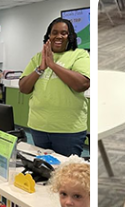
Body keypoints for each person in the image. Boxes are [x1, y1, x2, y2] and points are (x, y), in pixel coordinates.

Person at [19, 18, 90, 157]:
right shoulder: (38, 58)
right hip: (38, 127)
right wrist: (40, 68)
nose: (58, 36)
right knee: (42, 170)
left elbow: (82, 84)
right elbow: (24, 88)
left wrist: (52, 65)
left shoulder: (79, 55)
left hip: (68, 130)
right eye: (54, 33)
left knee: (67, 174)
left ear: (70, 37)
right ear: (48, 37)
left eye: (64, 33)